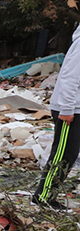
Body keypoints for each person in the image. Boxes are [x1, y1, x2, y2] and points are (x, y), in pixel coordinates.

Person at [33, 26, 80, 210]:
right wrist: (67, 108)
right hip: (70, 109)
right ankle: (43, 197)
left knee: (69, 153)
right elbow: (70, 76)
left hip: (75, 107)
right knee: (63, 154)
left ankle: (47, 195)